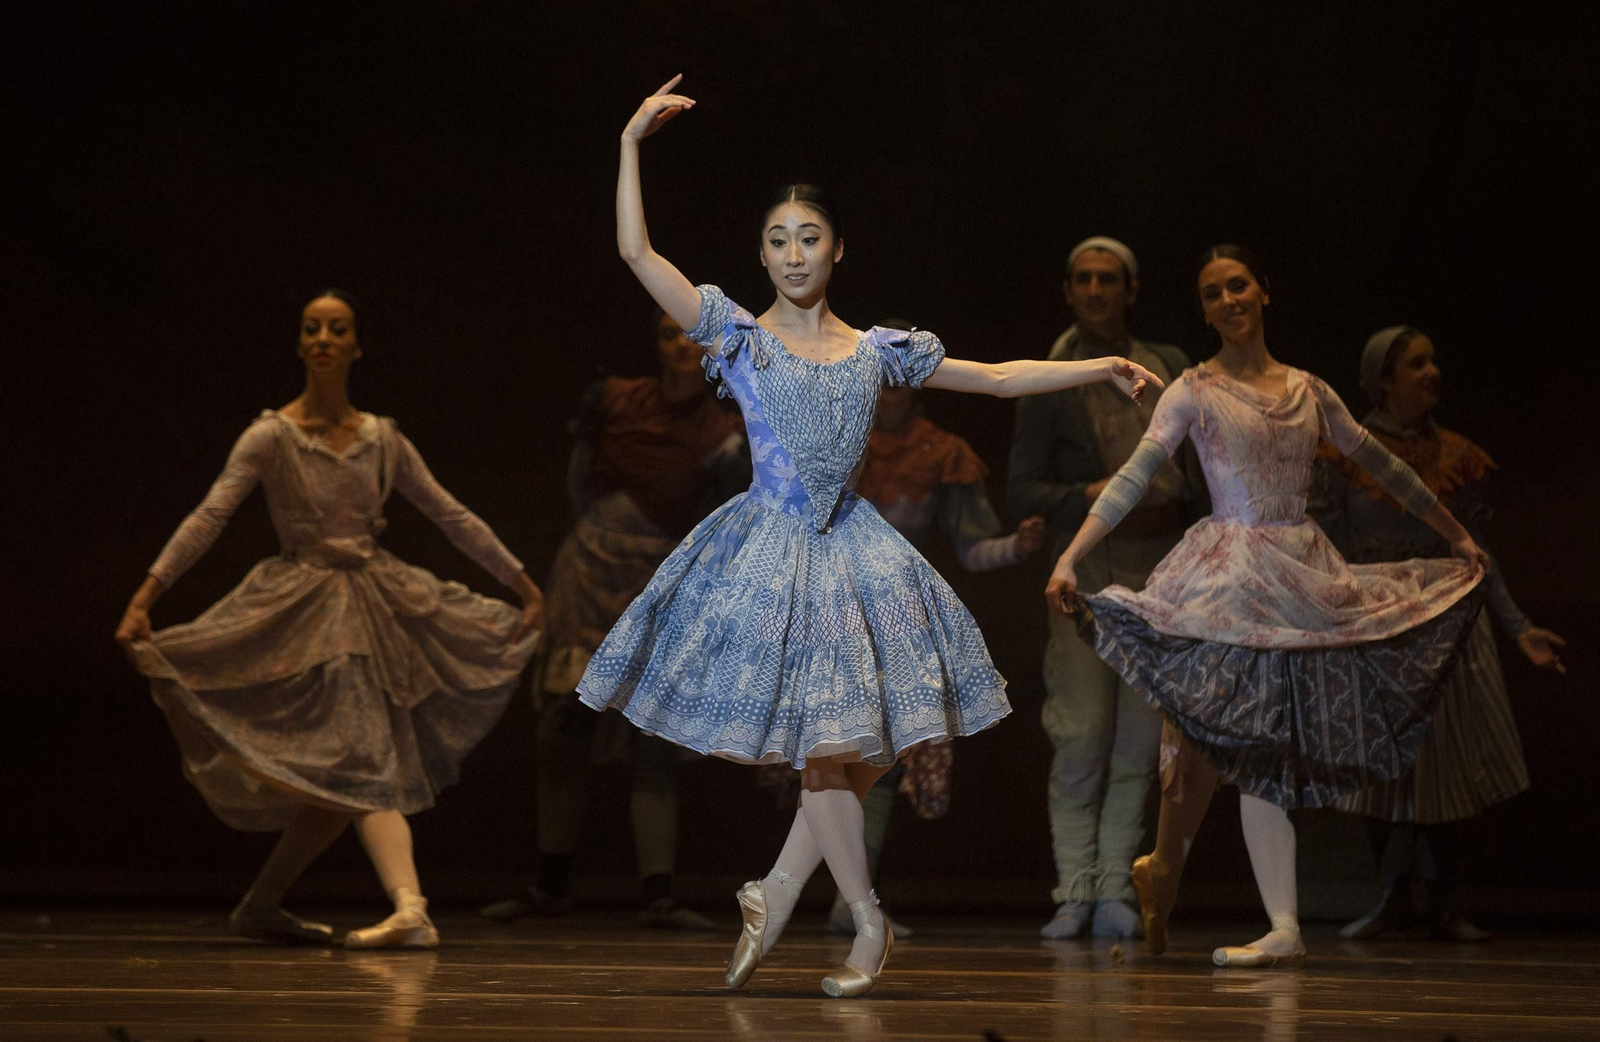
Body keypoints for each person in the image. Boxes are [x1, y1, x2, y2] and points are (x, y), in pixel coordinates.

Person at [579, 76, 1162, 998]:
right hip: (771, 552)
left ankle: (775, 890)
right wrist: (629, 142)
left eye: (808, 237)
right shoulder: (735, 336)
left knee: (859, 748)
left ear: (838, 248)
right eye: (777, 240)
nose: (792, 252)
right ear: (761, 256)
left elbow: (1004, 380)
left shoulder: (879, 349)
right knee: (829, 751)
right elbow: (634, 249)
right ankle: (870, 922)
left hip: (855, 557)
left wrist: (1103, 363)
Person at [1045, 245, 1489, 968]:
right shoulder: (1192, 388)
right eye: (1213, 292)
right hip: (1228, 569)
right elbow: (1134, 475)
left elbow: (1386, 467)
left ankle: (1252, 911)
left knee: (1255, 745)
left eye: (1238, 285)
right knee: (1211, 741)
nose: (1228, 300)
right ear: (1204, 309)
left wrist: (1457, 534)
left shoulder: (1309, 390)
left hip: (1298, 570)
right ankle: (1177, 872)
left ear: (1263, 292)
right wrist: (1070, 556)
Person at [114, 291, 543, 949]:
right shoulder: (271, 436)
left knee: (350, 768)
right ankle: (405, 907)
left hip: (372, 601)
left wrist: (520, 582)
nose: (322, 338)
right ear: (299, 344)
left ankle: (290, 905)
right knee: (357, 763)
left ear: (356, 346)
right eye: (311, 328)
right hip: (303, 604)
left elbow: (449, 513)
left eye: (336, 329)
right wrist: (147, 595)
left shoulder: (382, 439)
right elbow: (210, 515)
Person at [763, 331, 1047, 937]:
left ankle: (831, 898)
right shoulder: (836, 433)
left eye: (898, 377)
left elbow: (973, 549)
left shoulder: (938, 450)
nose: (888, 387)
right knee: (832, 754)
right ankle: (843, 903)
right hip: (829, 604)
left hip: (893, 612)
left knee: (876, 756)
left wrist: (1015, 548)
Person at [481, 308, 745, 930]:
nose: (680, 345)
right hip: (593, 568)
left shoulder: (720, 429)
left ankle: (658, 895)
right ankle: (550, 885)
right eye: (668, 334)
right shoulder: (618, 400)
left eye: (691, 335)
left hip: (656, 580)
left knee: (653, 739)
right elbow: (579, 478)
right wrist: (598, 533)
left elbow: (727, 513)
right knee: (563, 724)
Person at [1309, 324, 1566, 941]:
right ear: (1383, 380)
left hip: (1448, 612)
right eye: (1415, 364)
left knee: (1448, 762)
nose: (1432, 373)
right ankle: (1392, 895)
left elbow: (1478, 550)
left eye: (1433, 361)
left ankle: (1448, 900)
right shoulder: (1346, 451)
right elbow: (1319, 538)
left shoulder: (1456, 453)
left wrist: (1519, 626)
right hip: (1379, 613)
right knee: (1377, 762)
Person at [1008, 237, 1207, 940]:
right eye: (1084, 279)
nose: (1096, 291)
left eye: (1109, 280)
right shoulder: (1052, 372)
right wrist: (1091, 495)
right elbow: (1023, 485)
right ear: (1068, 289)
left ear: (1131, 289)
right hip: (1086, 566)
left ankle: (1119, 883)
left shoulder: (1169, 365)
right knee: (1083, 730)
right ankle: (1076, 888)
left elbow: (1200, 472)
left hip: (1157, 562)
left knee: (1139, 740)